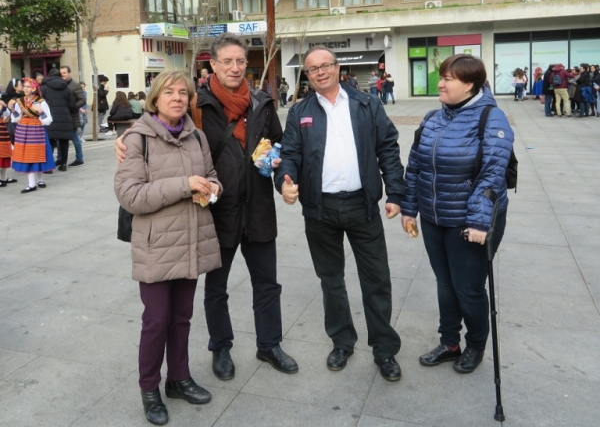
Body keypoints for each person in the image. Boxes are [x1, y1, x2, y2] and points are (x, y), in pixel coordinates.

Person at [116, 33, 298, 382]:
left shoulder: (262, 102)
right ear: (212, 64)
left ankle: (269, 344)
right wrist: (125, 139)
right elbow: (162, 128)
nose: (234, 67)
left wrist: (283, 181)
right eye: (226, 61)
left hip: (259, 209)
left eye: (240, 61)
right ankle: (221, 347)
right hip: (216, 212)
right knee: (217, 288)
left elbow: (276, 150)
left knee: (267, 284)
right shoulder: (197, 104)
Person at [275, 45, 405, 382]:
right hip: (320, 210)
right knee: (331, 280)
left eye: (326, 65)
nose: (320, 72)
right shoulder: (299, 111)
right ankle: (342, 341)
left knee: (376, 279)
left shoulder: (366, 104)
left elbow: (388, 148)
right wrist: (284, 180)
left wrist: (395, 192)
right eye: (313, 68)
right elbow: (289, 155)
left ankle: (384, 349)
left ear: (337, 67)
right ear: (307, 74)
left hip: (363, 206)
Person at [114, 70, 221, 426]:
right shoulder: (137, 139)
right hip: (157, 244)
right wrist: (183, 184)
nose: (177, 98)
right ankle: (149, 389)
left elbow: (212, 176)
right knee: (156, 321)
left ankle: (179, 378)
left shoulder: (197, 137)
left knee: (182, 318)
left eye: (183, 93)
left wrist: (212, 189)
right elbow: (130, 196)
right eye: (169, 92)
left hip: (191, 241)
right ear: (155, 98)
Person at [400, 54, 513, 375]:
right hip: (434, 217)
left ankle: (475, 345)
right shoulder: (432, 117)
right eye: (442, 76)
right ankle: (450, 343)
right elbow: (417, 166)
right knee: (445, 284)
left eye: (449, 78)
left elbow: (492, 174)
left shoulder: (491, 118)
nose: (442, 83)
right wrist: (410, 208)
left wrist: (479, 221)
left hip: (470, 221)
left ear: (470, 84)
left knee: (469, 287)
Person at [7, 78, 55, 193]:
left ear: (34, 88)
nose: (26, 89)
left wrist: (41, 112)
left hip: (36, 130)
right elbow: (16, 118)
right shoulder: (20, 101)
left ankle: (40, 180)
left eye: (28, 86)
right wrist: (12, 110)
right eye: (24, 86)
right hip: (23, 131)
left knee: (37, 155)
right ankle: (31, 183)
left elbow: (48, 120)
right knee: (27, 156)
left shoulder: (40, 101)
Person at [41, 69, 76, 172]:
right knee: (64, 141)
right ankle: (64, 164)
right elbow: (72, 105)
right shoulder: (66, 88)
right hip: (64, 118)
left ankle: (49, 167)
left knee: (50, 141)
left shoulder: (43, 88)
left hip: (49, 118)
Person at [59, 66, 86, 167]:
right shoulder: (60, 85)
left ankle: (79, 158)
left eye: (64, 73)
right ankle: (60, 158)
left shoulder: (75, 85)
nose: (63, 75)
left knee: (75, 137)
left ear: (69, 73)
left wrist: (73, 107)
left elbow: (83, 100)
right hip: (63, 116)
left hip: (72, 116)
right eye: (61, 73)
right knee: (60, 138)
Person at [0, 99, 16, 186]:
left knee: (4, 155)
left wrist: (5, 106)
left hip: (2, 131)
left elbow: (7, 115)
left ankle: (4, 178)